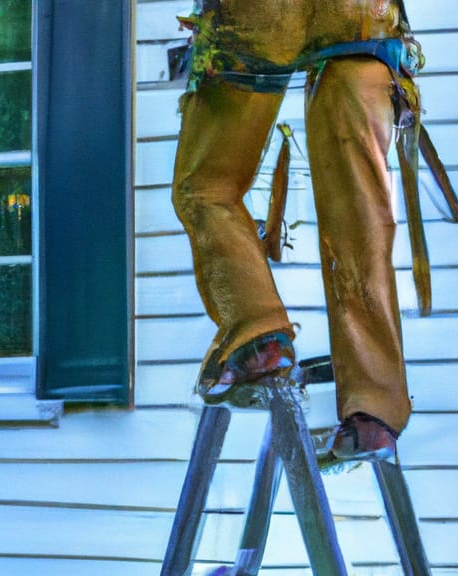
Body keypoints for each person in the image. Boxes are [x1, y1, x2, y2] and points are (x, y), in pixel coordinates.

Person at [171, 0, 422, 461]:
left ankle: (260, 335)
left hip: (262, 14)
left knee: (207, 187)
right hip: (361, 15)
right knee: (358, 217)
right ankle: (374, 414)